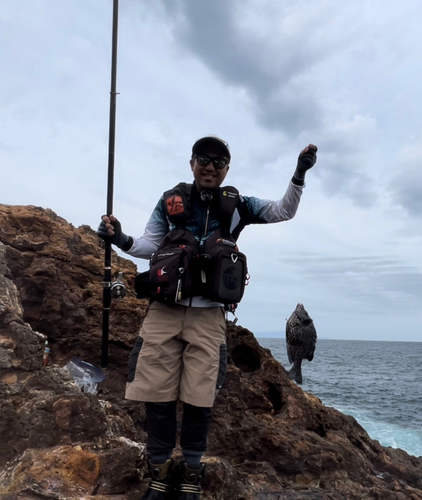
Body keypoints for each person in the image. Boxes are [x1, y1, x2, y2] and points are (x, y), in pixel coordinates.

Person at [98, 136, 317, 500]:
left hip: (209, 316)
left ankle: (193, 471)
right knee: (157, 394)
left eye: (219, 161)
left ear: (227, 168)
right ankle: (161, 467)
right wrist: (119, 237)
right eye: (204, 158)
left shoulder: (238, 205)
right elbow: (149, 245)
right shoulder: (171, 202)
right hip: (164, 311)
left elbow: (283, 210)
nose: (210, 166)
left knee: (201, 397)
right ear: (192, 163)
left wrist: (299, 173)